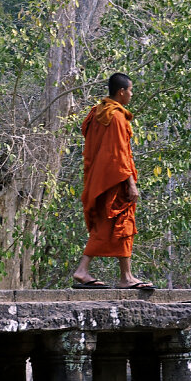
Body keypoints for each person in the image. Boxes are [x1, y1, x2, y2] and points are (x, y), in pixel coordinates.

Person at [72, 72, 154, 290]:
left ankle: (87, 271)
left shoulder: (96, 113)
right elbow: (119, 153)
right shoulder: (116, 117)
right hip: (115, 180)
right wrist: (131, 183)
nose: (131, 94)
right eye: (130, 90)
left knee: (108, 225)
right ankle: (124, 277)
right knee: (123, 224)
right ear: (121, 92)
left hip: (99, 180)